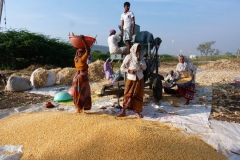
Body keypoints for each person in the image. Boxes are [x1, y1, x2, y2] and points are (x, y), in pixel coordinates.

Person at [118, 43, 146, 118]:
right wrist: (129, 71)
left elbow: (144, 68)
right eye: (138, 49)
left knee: (137, 95)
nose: (139, 51)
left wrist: (140, 59)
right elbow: (122, 68)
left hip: (139, 78)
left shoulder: (141, 57)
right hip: (131, 78)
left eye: (140, 49)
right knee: (127, 94)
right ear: (134, 49)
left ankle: (137, 111)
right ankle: (123, 111)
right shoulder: (129, 57)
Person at [72, 35, 92, 113]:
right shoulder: (83, 59)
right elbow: (88, 51)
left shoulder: (76, 59)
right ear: (82, 53)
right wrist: (84, 40)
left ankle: (78, 107)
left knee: (77, 93)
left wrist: (77, 44)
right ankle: (83, 107)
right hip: (82, 78)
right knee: (84, 93)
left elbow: (77, 50)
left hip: (76, 78)